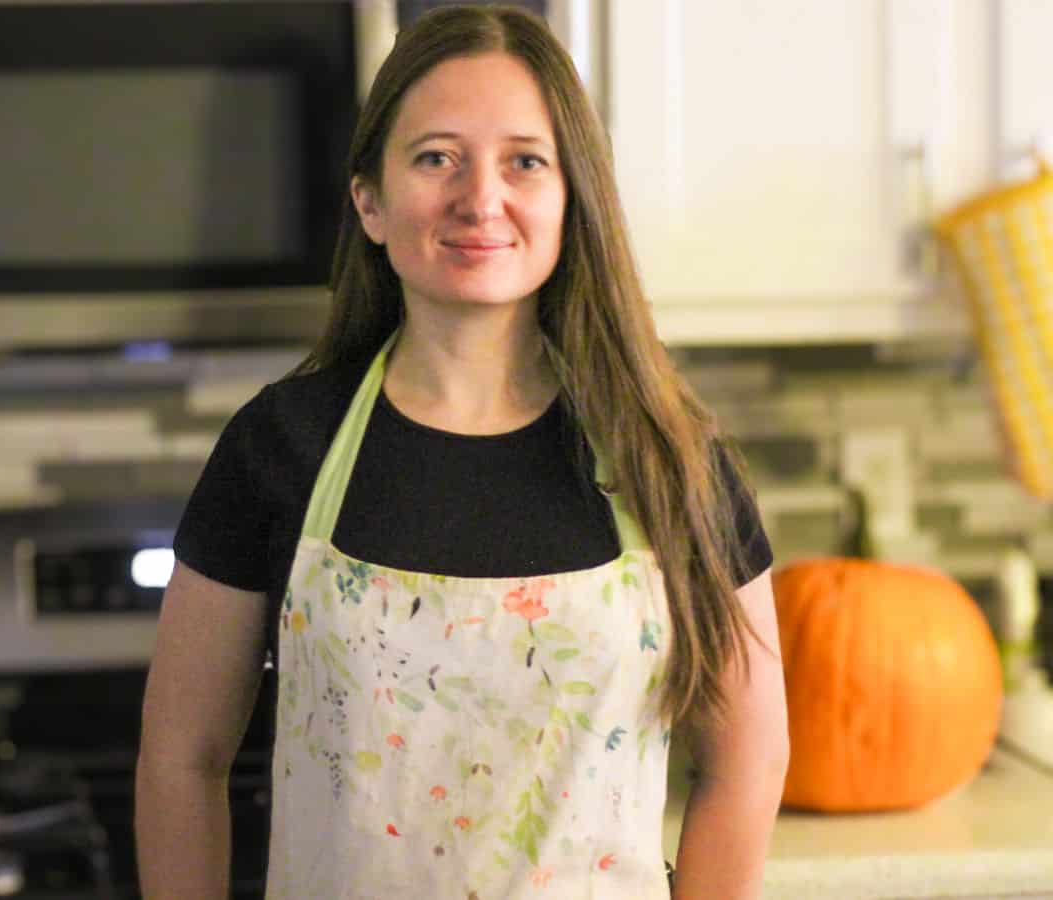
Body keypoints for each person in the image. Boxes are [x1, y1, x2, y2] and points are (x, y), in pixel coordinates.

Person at [135, 5, 789, 899]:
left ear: (571, 199)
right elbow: (182, 760)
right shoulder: (280, 447)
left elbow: (747, 761)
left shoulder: (670, 457)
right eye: (436, 156)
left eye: (525, 161)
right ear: (370, 200)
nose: (481, 199)